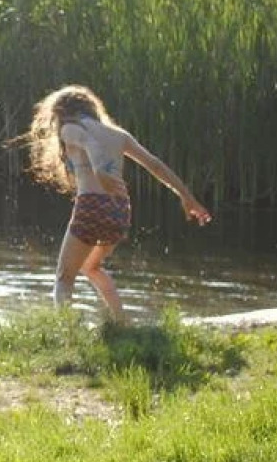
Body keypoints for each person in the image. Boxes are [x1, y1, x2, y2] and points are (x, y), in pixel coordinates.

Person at [19, 85, 211, 321]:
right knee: (90, 267)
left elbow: (90, 143)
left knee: (64, 277)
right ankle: (121, 322)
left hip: (91, 206)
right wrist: (186, 196)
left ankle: (67, 334)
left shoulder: (70, 128)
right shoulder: (119, 135)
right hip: (119, 211)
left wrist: (101, 171)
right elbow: (156, 165)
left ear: (61, 112)